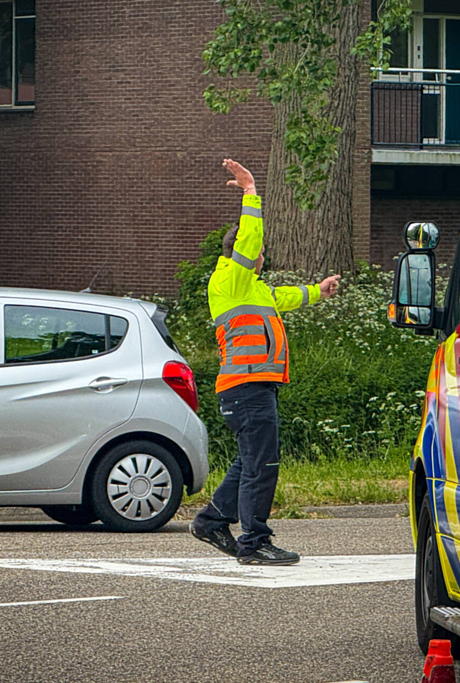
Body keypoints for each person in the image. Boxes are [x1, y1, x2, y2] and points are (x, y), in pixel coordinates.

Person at [190, 159, 341, 566]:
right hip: (247, 387)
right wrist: (250, 193)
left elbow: (284, 297)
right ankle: (254, 543)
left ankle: (211, 521)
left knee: (250, 460)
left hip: (252, 387)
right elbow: (250, 242)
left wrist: (317, 292)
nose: (262, 257)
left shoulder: (251, 289)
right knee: (262, 465)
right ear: (247, 252)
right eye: (259, 252)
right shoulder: (229, 279)